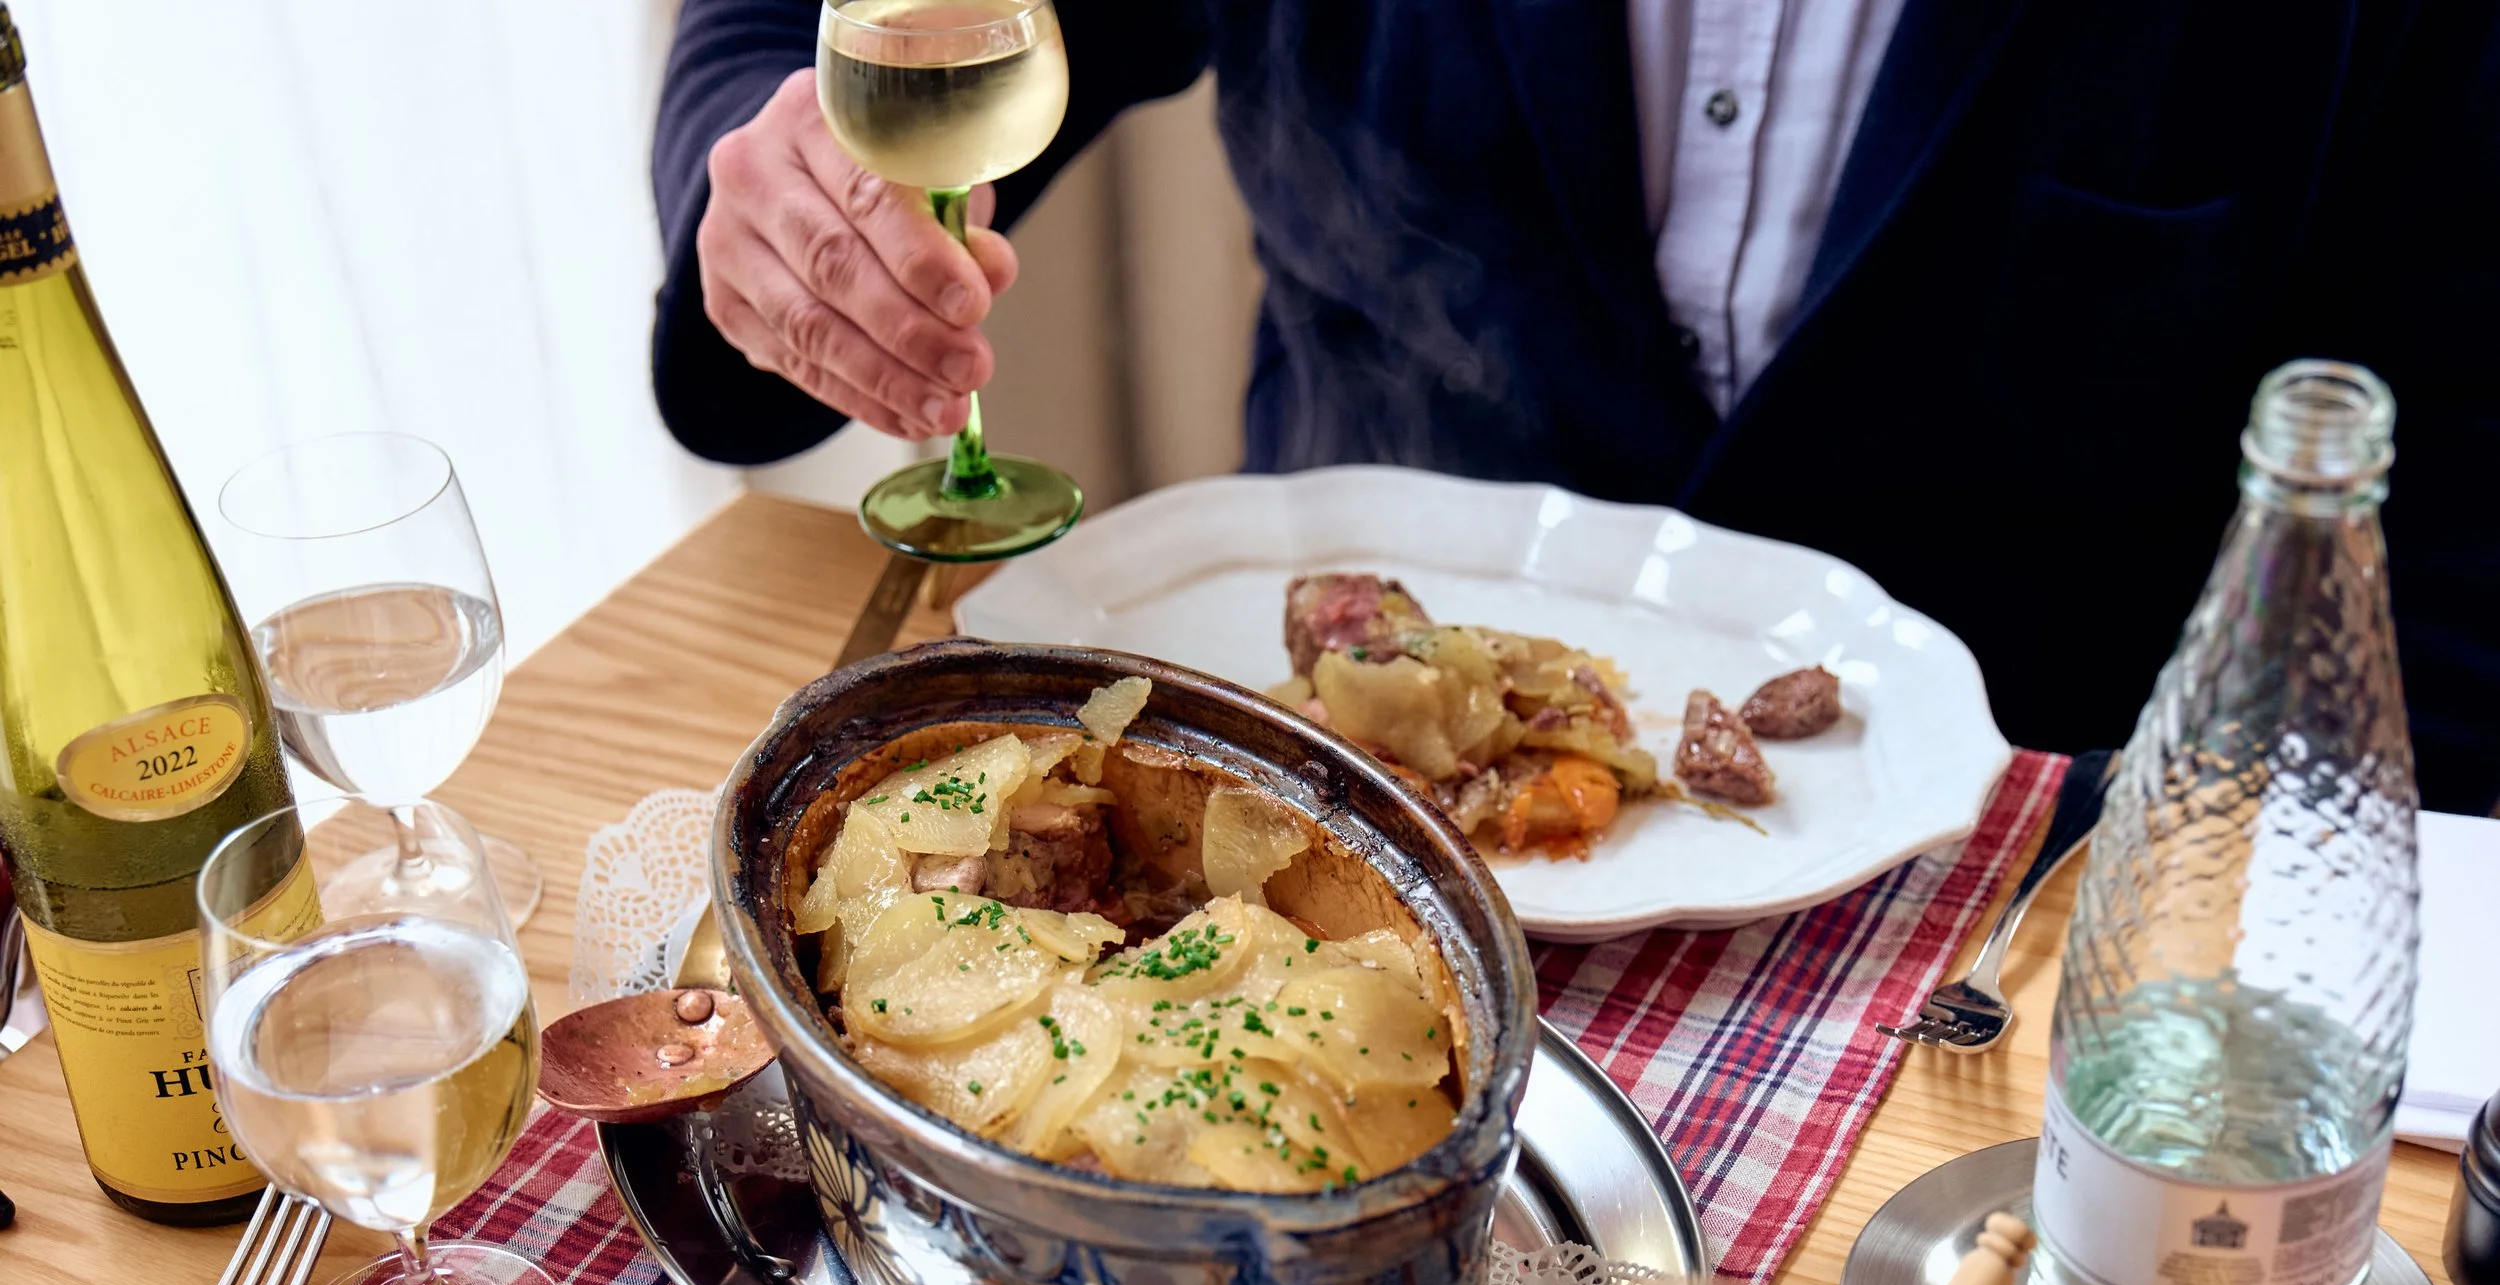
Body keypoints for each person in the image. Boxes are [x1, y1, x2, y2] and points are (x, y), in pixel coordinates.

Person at [651, 1, 2500, 814]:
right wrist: (790, 221)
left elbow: (2460, 584)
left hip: (2000, 949)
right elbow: (789, 26)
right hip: (1313, 809)